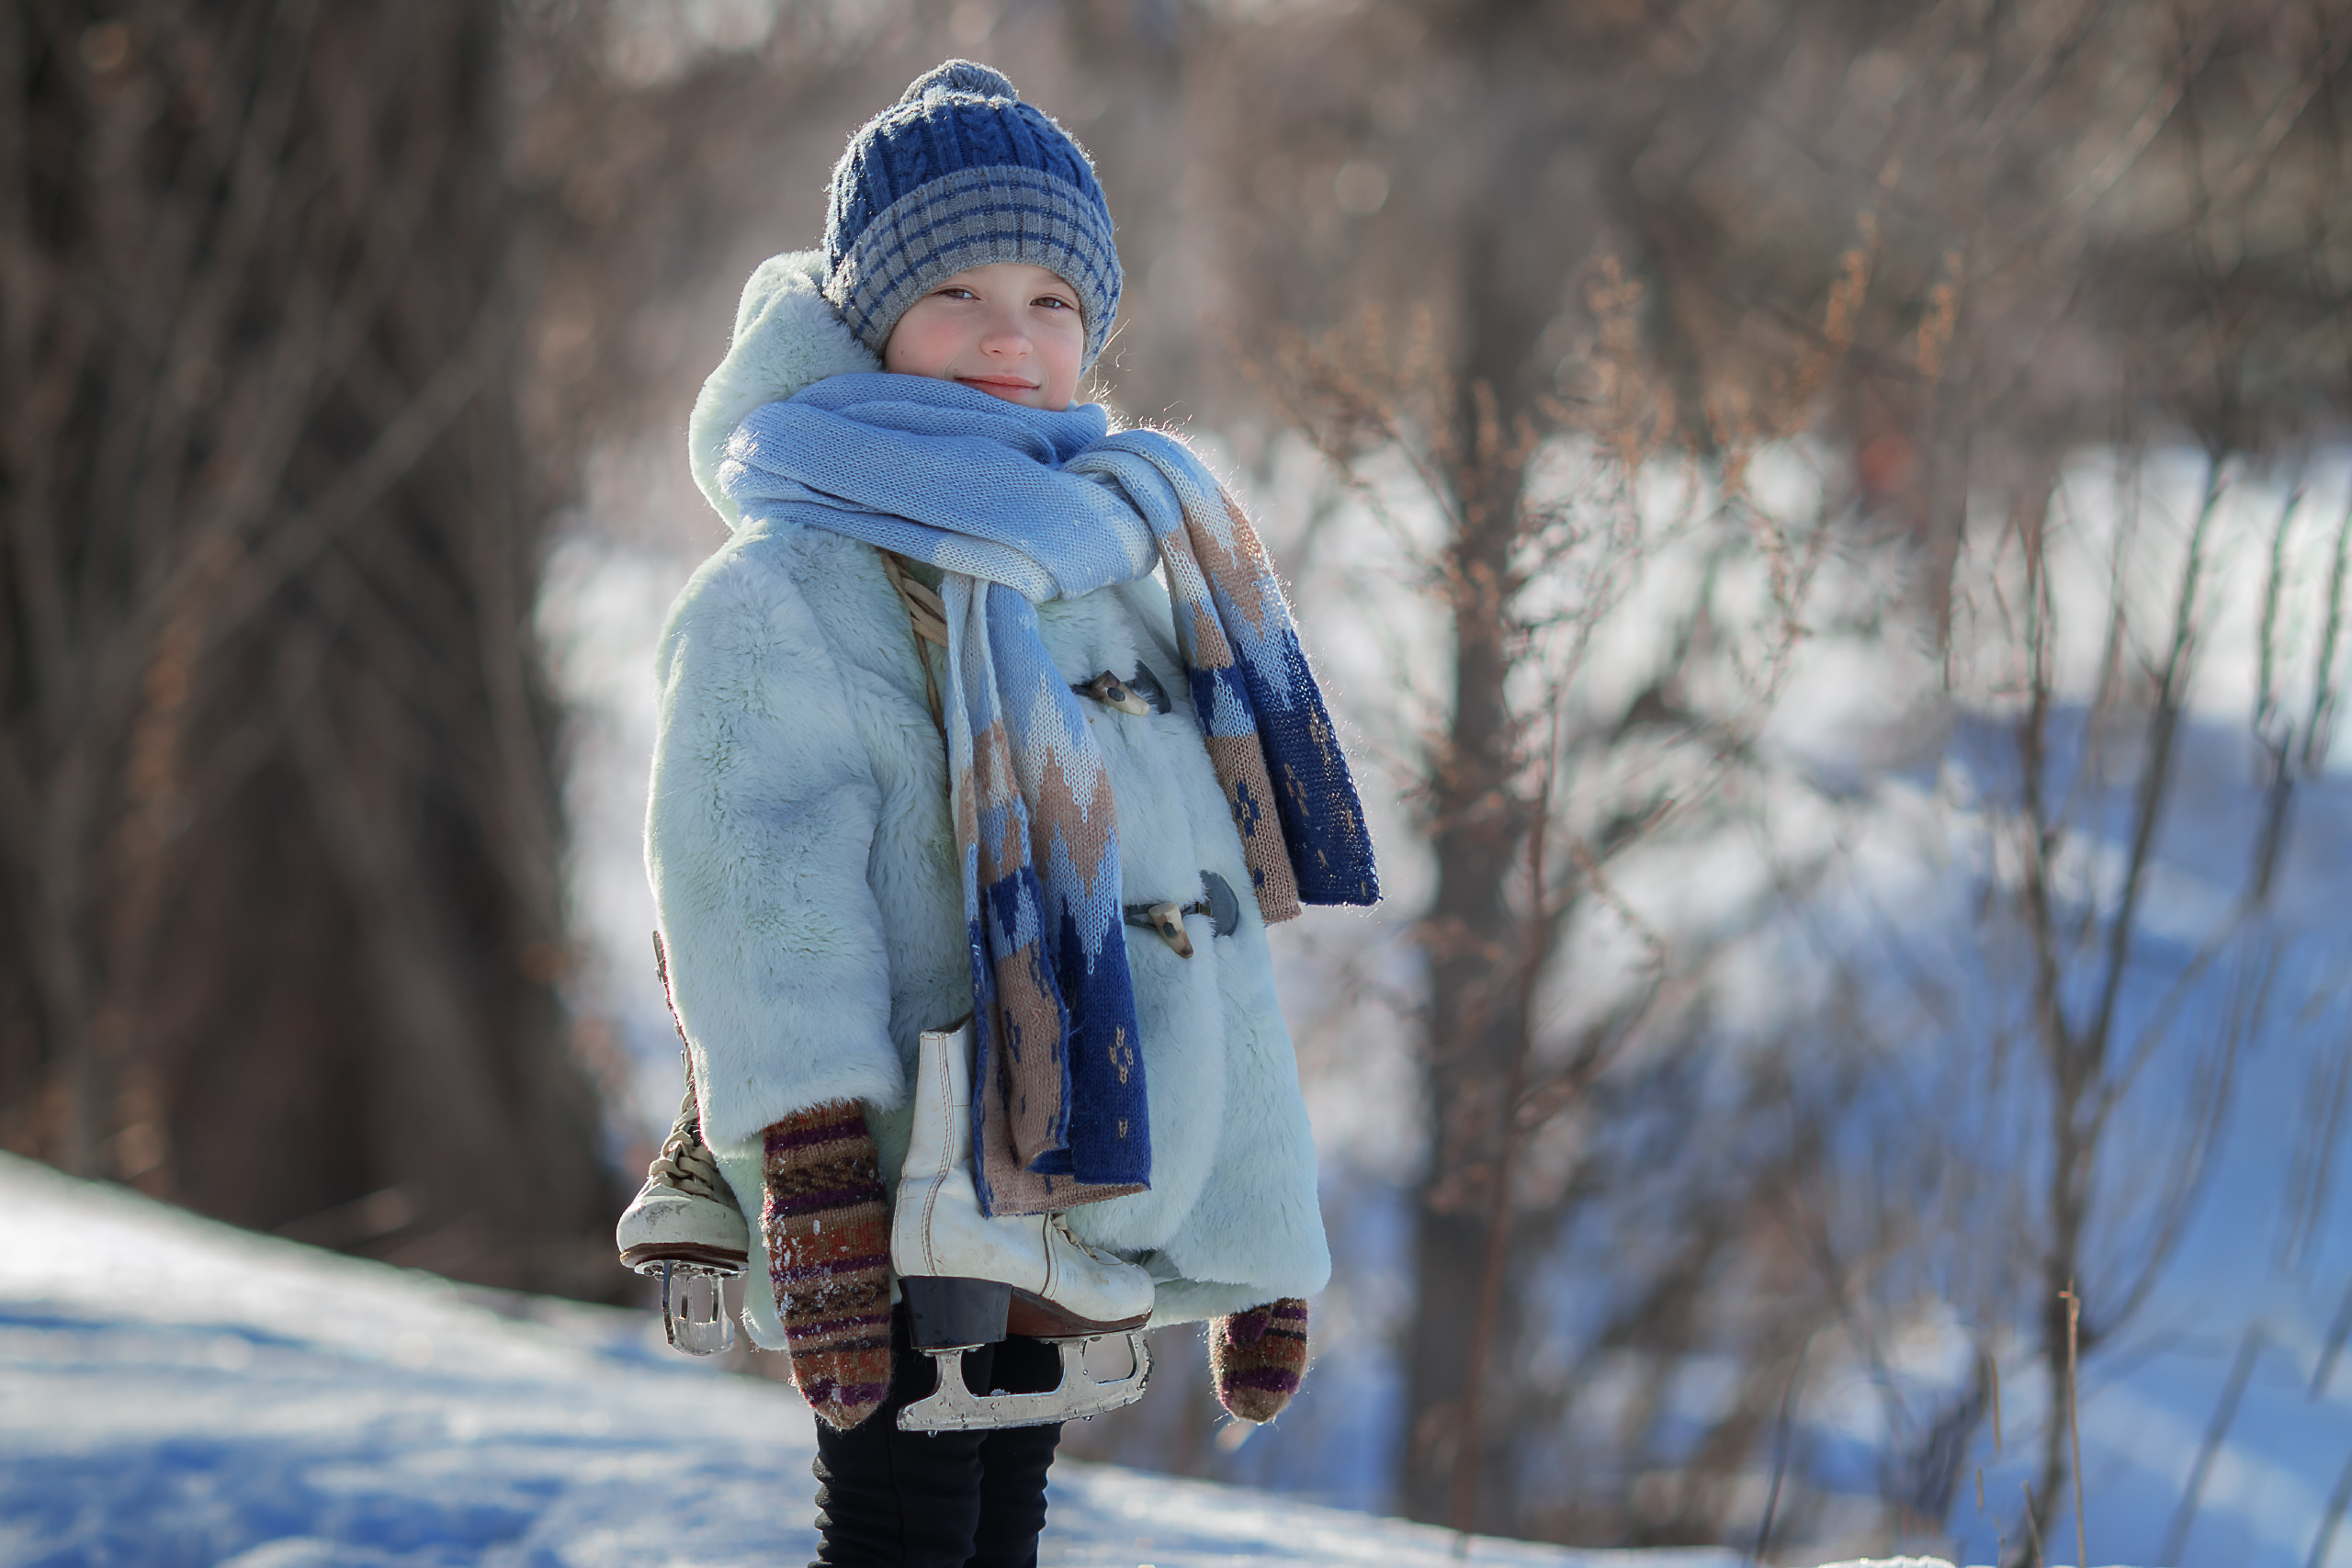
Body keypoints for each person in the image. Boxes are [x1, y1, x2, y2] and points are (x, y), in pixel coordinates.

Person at [642, 59, 1378, 1566]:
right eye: (959, 289)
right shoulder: (789, 586)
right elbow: (752, 898)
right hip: (902, 1182)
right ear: (867, 317)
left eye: (1053, 299)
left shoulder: (1107, 559)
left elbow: (1205, 927)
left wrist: (1257, 1230)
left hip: (1072, 1184)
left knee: (1005, 1534)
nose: (1009, 336)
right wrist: (819, 1176)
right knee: (905, 1540)